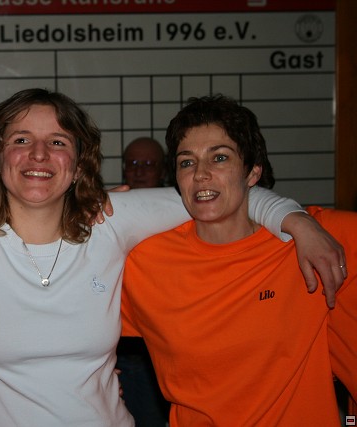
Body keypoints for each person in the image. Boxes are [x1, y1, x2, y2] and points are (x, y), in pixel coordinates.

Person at [0, 88, 345, 426]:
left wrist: (297, 221)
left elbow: (216, 191)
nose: (38, 154)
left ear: (79, 163)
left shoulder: (113, 219)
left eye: (58, 142)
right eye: (21, 140)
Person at [121, 95, 356, 426]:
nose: (201, 174)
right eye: (187, 162)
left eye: (219, 158)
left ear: (253, 172)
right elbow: (74, 318)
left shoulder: (314, 240)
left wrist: (299, 222)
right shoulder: (145, 261)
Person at [118, 136, 170, 426]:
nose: (139, 171)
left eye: (148, 164)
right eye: (133, 163)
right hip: (115, 345)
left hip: (158, 348)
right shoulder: (106, 210)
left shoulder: (182, 214)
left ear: (163, 171)